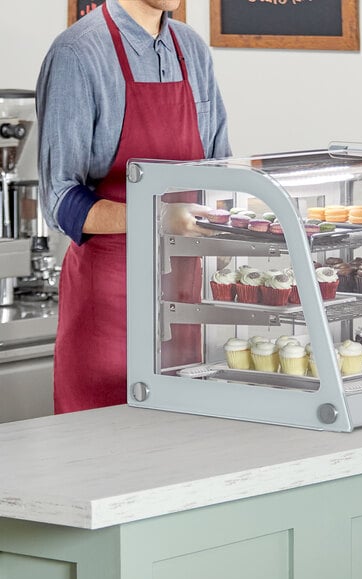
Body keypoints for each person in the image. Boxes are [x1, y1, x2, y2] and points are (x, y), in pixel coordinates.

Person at [36, 0, 231, 414]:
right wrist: (158, 217)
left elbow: (220, 171)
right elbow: (59, 199)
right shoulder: (77, 53)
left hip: (184, 309)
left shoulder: (192, 49)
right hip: (107, 313)